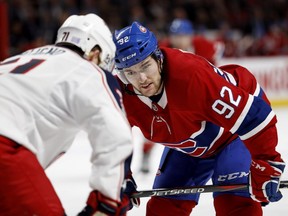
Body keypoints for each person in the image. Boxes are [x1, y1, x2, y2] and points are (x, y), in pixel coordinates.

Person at [112, 22, 285, 215]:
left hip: (230, 133)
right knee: (163, 210)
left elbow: (255, 116)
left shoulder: (191, 76)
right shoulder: (120, 93)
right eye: (131, 72)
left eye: (145, 65)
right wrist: (121, 176)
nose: (141, 78)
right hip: (189, 142)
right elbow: (113, 141)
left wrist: (266, 162)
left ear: (158, 58)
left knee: (235, 205)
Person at [0, 14, 134, 216]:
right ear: (95, 52)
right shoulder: (87, 69)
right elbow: (115, 135)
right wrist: (108, 199)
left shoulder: (18, 58)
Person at [140, 18, 225, 173]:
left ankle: (218, 152)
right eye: (175, 36)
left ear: (190, 36)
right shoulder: (161, 49)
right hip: (168, 94)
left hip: (196, 94)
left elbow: (215, 61)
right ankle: (146, 153)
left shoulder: (204, 46)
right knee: (155, 125)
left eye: (182, 36)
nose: (178, 40)